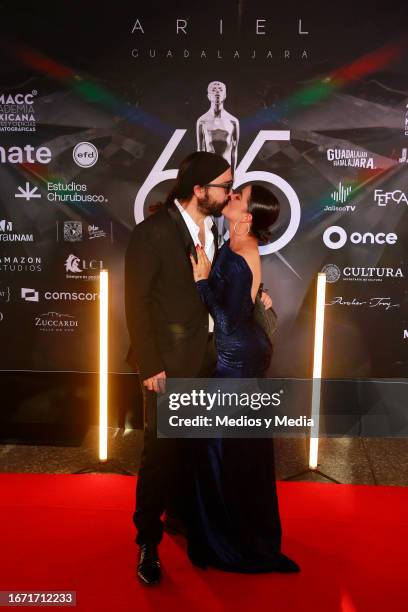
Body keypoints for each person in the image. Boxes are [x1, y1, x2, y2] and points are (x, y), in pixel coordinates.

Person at [125, 151, 234, 585]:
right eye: (224, 186)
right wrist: (151, 364)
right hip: (167, 366)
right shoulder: (152, 233)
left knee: (192, 448)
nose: (229, 192)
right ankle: (147, 541)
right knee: (160, 455)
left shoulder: (212, 229)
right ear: (199, 189)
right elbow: (136, 303)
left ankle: (182, 518)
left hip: (206, 359)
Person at [188, 183, 300, 573]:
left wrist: (201, 282)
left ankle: (229, 539)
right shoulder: (233, 244)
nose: (229, 196)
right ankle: (226, 528)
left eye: (237, 196)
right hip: (235, 354)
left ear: (248, 216)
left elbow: (228, 321)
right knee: (223, 449)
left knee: (219, 449)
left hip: (237, 360)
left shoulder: (245, 251)